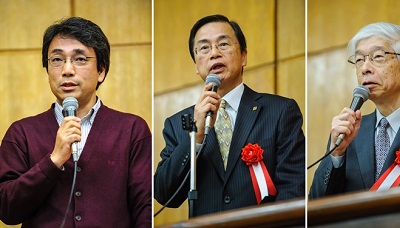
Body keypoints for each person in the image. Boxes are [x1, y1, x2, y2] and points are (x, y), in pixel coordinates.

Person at [0, 17, 152, 227]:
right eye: (57, 60)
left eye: (80, 59)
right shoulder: (21, 133)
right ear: (47, 70)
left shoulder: (132, 129)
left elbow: (145, 208)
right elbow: (6, 210)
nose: (67, 70)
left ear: (101, 71)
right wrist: (52, 161)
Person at [154, 14, 305, 216]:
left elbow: (293, 188)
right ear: (196, 66)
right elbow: (164, 194)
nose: (214, 53)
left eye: (223, 44)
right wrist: (196, 136)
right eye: (204, 48)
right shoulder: (177, 124)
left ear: (244, 56)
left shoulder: (280, 111)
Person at [309, 22, 400, 198]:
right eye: (358, 60)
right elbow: (317, 203)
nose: (365, 68)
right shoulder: (347, 133)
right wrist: (336, 154)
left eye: (378, 57)